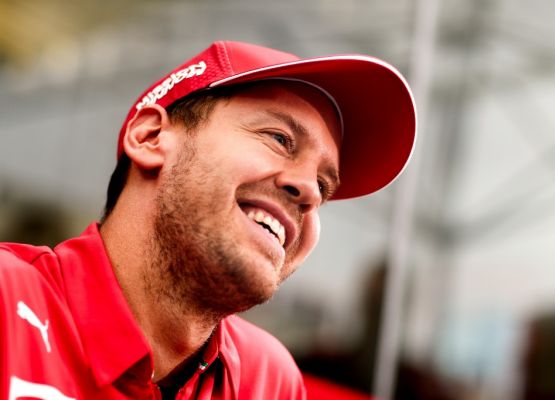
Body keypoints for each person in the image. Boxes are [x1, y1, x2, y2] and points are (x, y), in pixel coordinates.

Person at [0, 40, 416, 399]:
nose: (309, 191)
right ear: (149, 138)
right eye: (279, 139)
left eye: (325, 187)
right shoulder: (8, 300)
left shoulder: (268, 379)